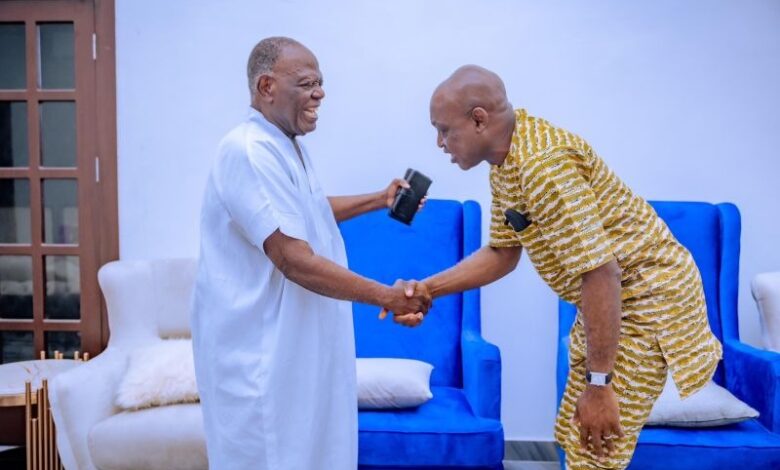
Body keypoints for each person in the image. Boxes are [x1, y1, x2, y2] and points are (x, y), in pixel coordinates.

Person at [403, 65, 722, 469]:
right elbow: (503, 252)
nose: (440, 143)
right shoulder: (508, 160)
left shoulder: (542, 166)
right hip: (614, 298)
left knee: (598, 448)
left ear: (479, 119)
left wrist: (600, 383)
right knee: (576, 435)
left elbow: (601, 272)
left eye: (444, 130)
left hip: (647, 303)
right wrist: (428, 288)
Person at [190, 37, 430, 470]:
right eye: (306, 83)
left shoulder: (285, 145)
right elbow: (292, 257)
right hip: (263, 361)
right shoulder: (248, 150)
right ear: (267, 86)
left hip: (298, 355)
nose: (320, 93)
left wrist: (379, 198)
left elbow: (308, 212)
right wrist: (387, 297)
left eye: (321, 83)